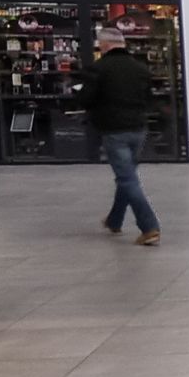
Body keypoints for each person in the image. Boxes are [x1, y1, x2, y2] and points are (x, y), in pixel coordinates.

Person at [79, 28, 160, 246]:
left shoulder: (98, 69)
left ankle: (149, 227)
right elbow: (149, 97)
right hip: (138, 128)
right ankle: (115, 219)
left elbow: (85, 98)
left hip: (113, 130)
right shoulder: (140, 69)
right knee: (127, 175)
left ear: (104, 45)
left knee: (127, 178)